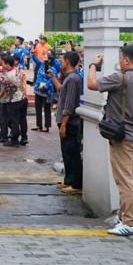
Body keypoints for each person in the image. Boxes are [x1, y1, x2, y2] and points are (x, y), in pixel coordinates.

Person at [87, 44, 133, 236]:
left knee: (124, 180)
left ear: (127, 60)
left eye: (121, 58)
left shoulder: (120, 77)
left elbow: (92, 85)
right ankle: (122, 216)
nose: (119, 61)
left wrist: (93, 66)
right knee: (128, 176)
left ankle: (130, 222)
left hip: (123, 136)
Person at [54, 51, 83, 194]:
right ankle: (69, 180)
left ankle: (76, 183)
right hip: (65, 121)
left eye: (62, 60)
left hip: (70, 122)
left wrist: (64, 124)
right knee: (66, 151)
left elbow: (69, 104)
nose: (60, 62)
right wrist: (54, 77)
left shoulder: (73, 79)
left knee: (72, 152)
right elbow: (61, 91)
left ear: (68, 62)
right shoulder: (68, 78)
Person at [0, 54, 27, 147]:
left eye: (2, 63)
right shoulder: (17, 70)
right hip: (22, 98)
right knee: (22, 119)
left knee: (14, 120)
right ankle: (23, 137)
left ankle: (14, 140)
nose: (1, 65)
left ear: (7, 64)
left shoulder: (8, 75)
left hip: (14, 100)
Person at [32, 49, 60, 133]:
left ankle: (47, 126)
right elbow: (36, 59)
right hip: (38, 90)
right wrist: (33, 54)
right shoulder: (41, 65)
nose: (45, 59)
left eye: (47, 58)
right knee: (38, 108)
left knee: (47, 109)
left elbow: (52, 79)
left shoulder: (53, 69)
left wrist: (45, 86)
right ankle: (39, 125)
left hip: (46, 92)